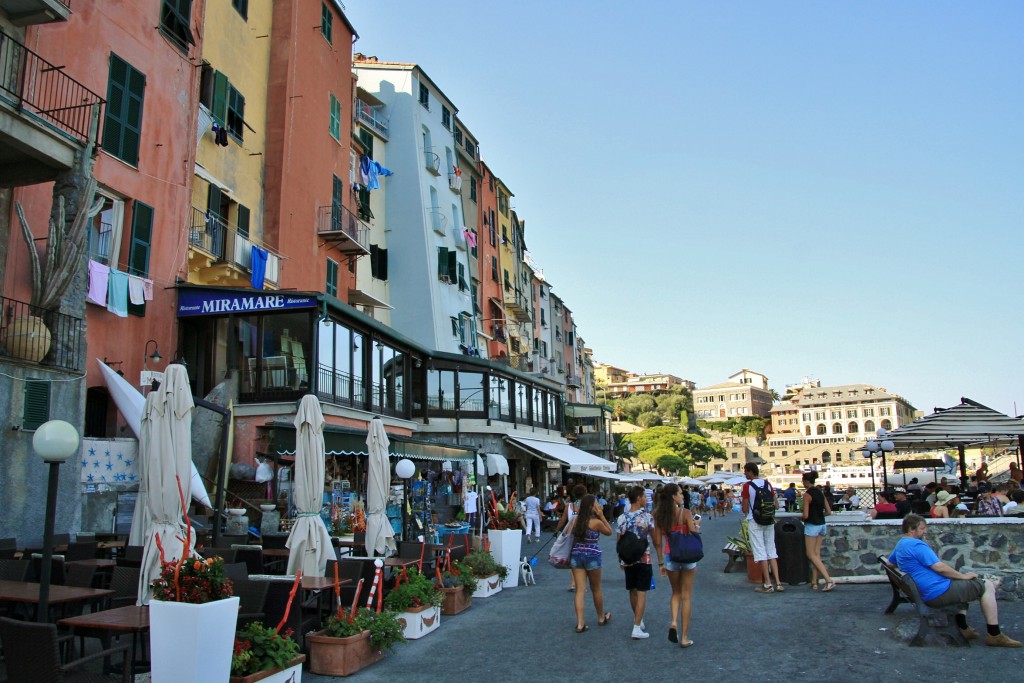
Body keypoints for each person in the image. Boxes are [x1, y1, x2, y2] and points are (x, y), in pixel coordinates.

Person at [888, 514, 1020, 647]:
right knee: (987, 586)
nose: (925, 531)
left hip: (928, 591)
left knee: (966, 585)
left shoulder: (901, 544)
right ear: (912, 529)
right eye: (922, 528)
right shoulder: (917, 545)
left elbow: (890, 564)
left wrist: (909, 565)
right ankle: (994, 634)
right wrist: (962, 576)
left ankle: (963, 628)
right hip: (937, 592)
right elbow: (939, 567)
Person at [651, 483, 699, 647]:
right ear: (673, 496)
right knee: (686, 596)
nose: (682, 496)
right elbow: (693, 532)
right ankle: (684, 638)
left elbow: (657, 541)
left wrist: (660, 562)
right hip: (687, 556)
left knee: (675, 593)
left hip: (670, 556)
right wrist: (696, 525)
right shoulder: (684, 513)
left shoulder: (658, 515)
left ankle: (673, 621)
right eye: (680, 493)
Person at [568, 494, 612, 632]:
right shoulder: (595, 522)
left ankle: (580, 623)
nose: (599, 505)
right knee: (596, 588)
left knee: (580, 590)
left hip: (576, 554)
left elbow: (569, 535)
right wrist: (602, 515)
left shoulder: (576, 520)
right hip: (592, 555)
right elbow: (609, 532)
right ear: (592, 507)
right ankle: (600, 617)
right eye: (597, 503)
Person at [616, 486, 654, 639]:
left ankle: (638, 619)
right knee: (642, 591)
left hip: (627, 558)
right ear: (638, 498)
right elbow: (655, 537)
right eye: (644, 496)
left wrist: (620, 558)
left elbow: (619, 540)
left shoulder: (621, 518)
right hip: (644, 557)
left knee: (632, 589)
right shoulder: (647, 517)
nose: (646, 499)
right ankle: (637, 627)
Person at [741, 463, 782, 593]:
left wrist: (747, 511)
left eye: (745, 472)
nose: (745, 474)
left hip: (755, 520)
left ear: (750, 472)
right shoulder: (767, 484)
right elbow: (776, 505)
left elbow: (744, 507)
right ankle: (778, 583)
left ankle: (768, 584)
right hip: (769, 520)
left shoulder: (747, 486)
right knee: (771, 550)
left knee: (760, 551)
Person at [801, 471, 835, 591]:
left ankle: (828, 580)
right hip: (821, 524)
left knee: (810, 554)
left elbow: (805, 515)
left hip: (812, 525)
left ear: (805, 481)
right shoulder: (820, 493)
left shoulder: (807, 495)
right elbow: (829, 512)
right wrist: (819, 515)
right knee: (816, 554)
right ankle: (814, 582)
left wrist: (801, 517)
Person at [557, 484, 588, 592]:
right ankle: (582, 584)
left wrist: (557, 530)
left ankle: (573, 583)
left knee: (573, 560)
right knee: (584, 560)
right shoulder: (588, 505)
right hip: (585, 535)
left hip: (571, 535)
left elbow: (563, 520)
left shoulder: (569, 506)